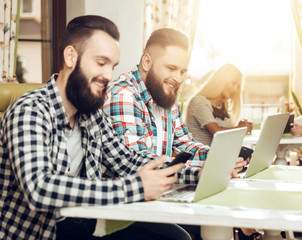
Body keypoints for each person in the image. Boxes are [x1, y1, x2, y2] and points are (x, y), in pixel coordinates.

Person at [0, 15, 201, 240]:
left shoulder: (90, 114)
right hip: (40, 233)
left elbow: (127, 160)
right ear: (70, 57)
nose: (109, 75)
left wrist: (197, 173)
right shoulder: (30, 110)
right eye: (101, 63)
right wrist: (136, 187)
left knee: (176, 238)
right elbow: (39, 188)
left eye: (112, 66)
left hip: (85, 224)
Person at [102, 28, 256, 240]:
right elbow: (139, 163)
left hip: (160, 198)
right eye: (171, 68)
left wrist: (219, 158)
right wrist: (203, 169)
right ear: (147, 62)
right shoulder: (124, 95)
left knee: (222, 210)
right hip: (126, 206)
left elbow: (186, 143)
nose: (177, 78)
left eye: (183, 71)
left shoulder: (165, 96)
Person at [185, 63, 253, 146]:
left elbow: (227, 134)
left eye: (238, 86)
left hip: (219, 155)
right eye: (234, 83)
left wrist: (240, 126)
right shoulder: (199, 101)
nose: (235, 89)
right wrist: (241, 128)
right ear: (221, 80)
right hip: (201, 156)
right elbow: (217, 132)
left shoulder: (223, 105)